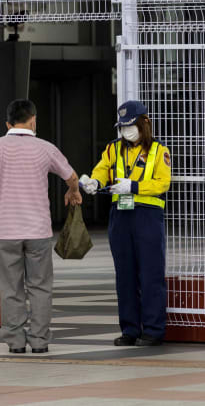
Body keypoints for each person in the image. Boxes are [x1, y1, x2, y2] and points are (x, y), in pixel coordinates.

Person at [0, 99, 82, 354]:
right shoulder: (45, 148)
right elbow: (72, 176)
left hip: (7, 232)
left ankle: (15, 342)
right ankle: (40, 342)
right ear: (33, 120)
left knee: (11, 288)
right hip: (38, 232)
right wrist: (73, 191)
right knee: (40, 286)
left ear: (7, 123)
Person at [79, 100, 171, 347]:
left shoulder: (158, 151)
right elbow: (101, 169)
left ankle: (153, 330)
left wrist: (134, 186)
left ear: (144, 123)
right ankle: (129, 329)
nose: (126, 131)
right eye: (122, 127)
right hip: (120, 215)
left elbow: (163, 182)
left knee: (151, 274)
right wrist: (94, 183)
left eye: (131, 126)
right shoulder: (112, 149)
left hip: (148, 214)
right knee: (125, 275)